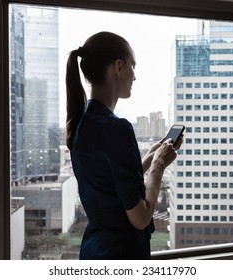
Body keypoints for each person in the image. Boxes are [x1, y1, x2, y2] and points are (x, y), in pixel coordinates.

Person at [66, 31, 182, 259]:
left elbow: (110, 184)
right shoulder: (116, 128)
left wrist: (149, 159)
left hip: (94, 249)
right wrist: (159, 166)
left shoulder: (83, 123)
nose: (135, 76)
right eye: (133, 66)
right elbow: (140, 218)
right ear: (119, 67)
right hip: (121, 253)